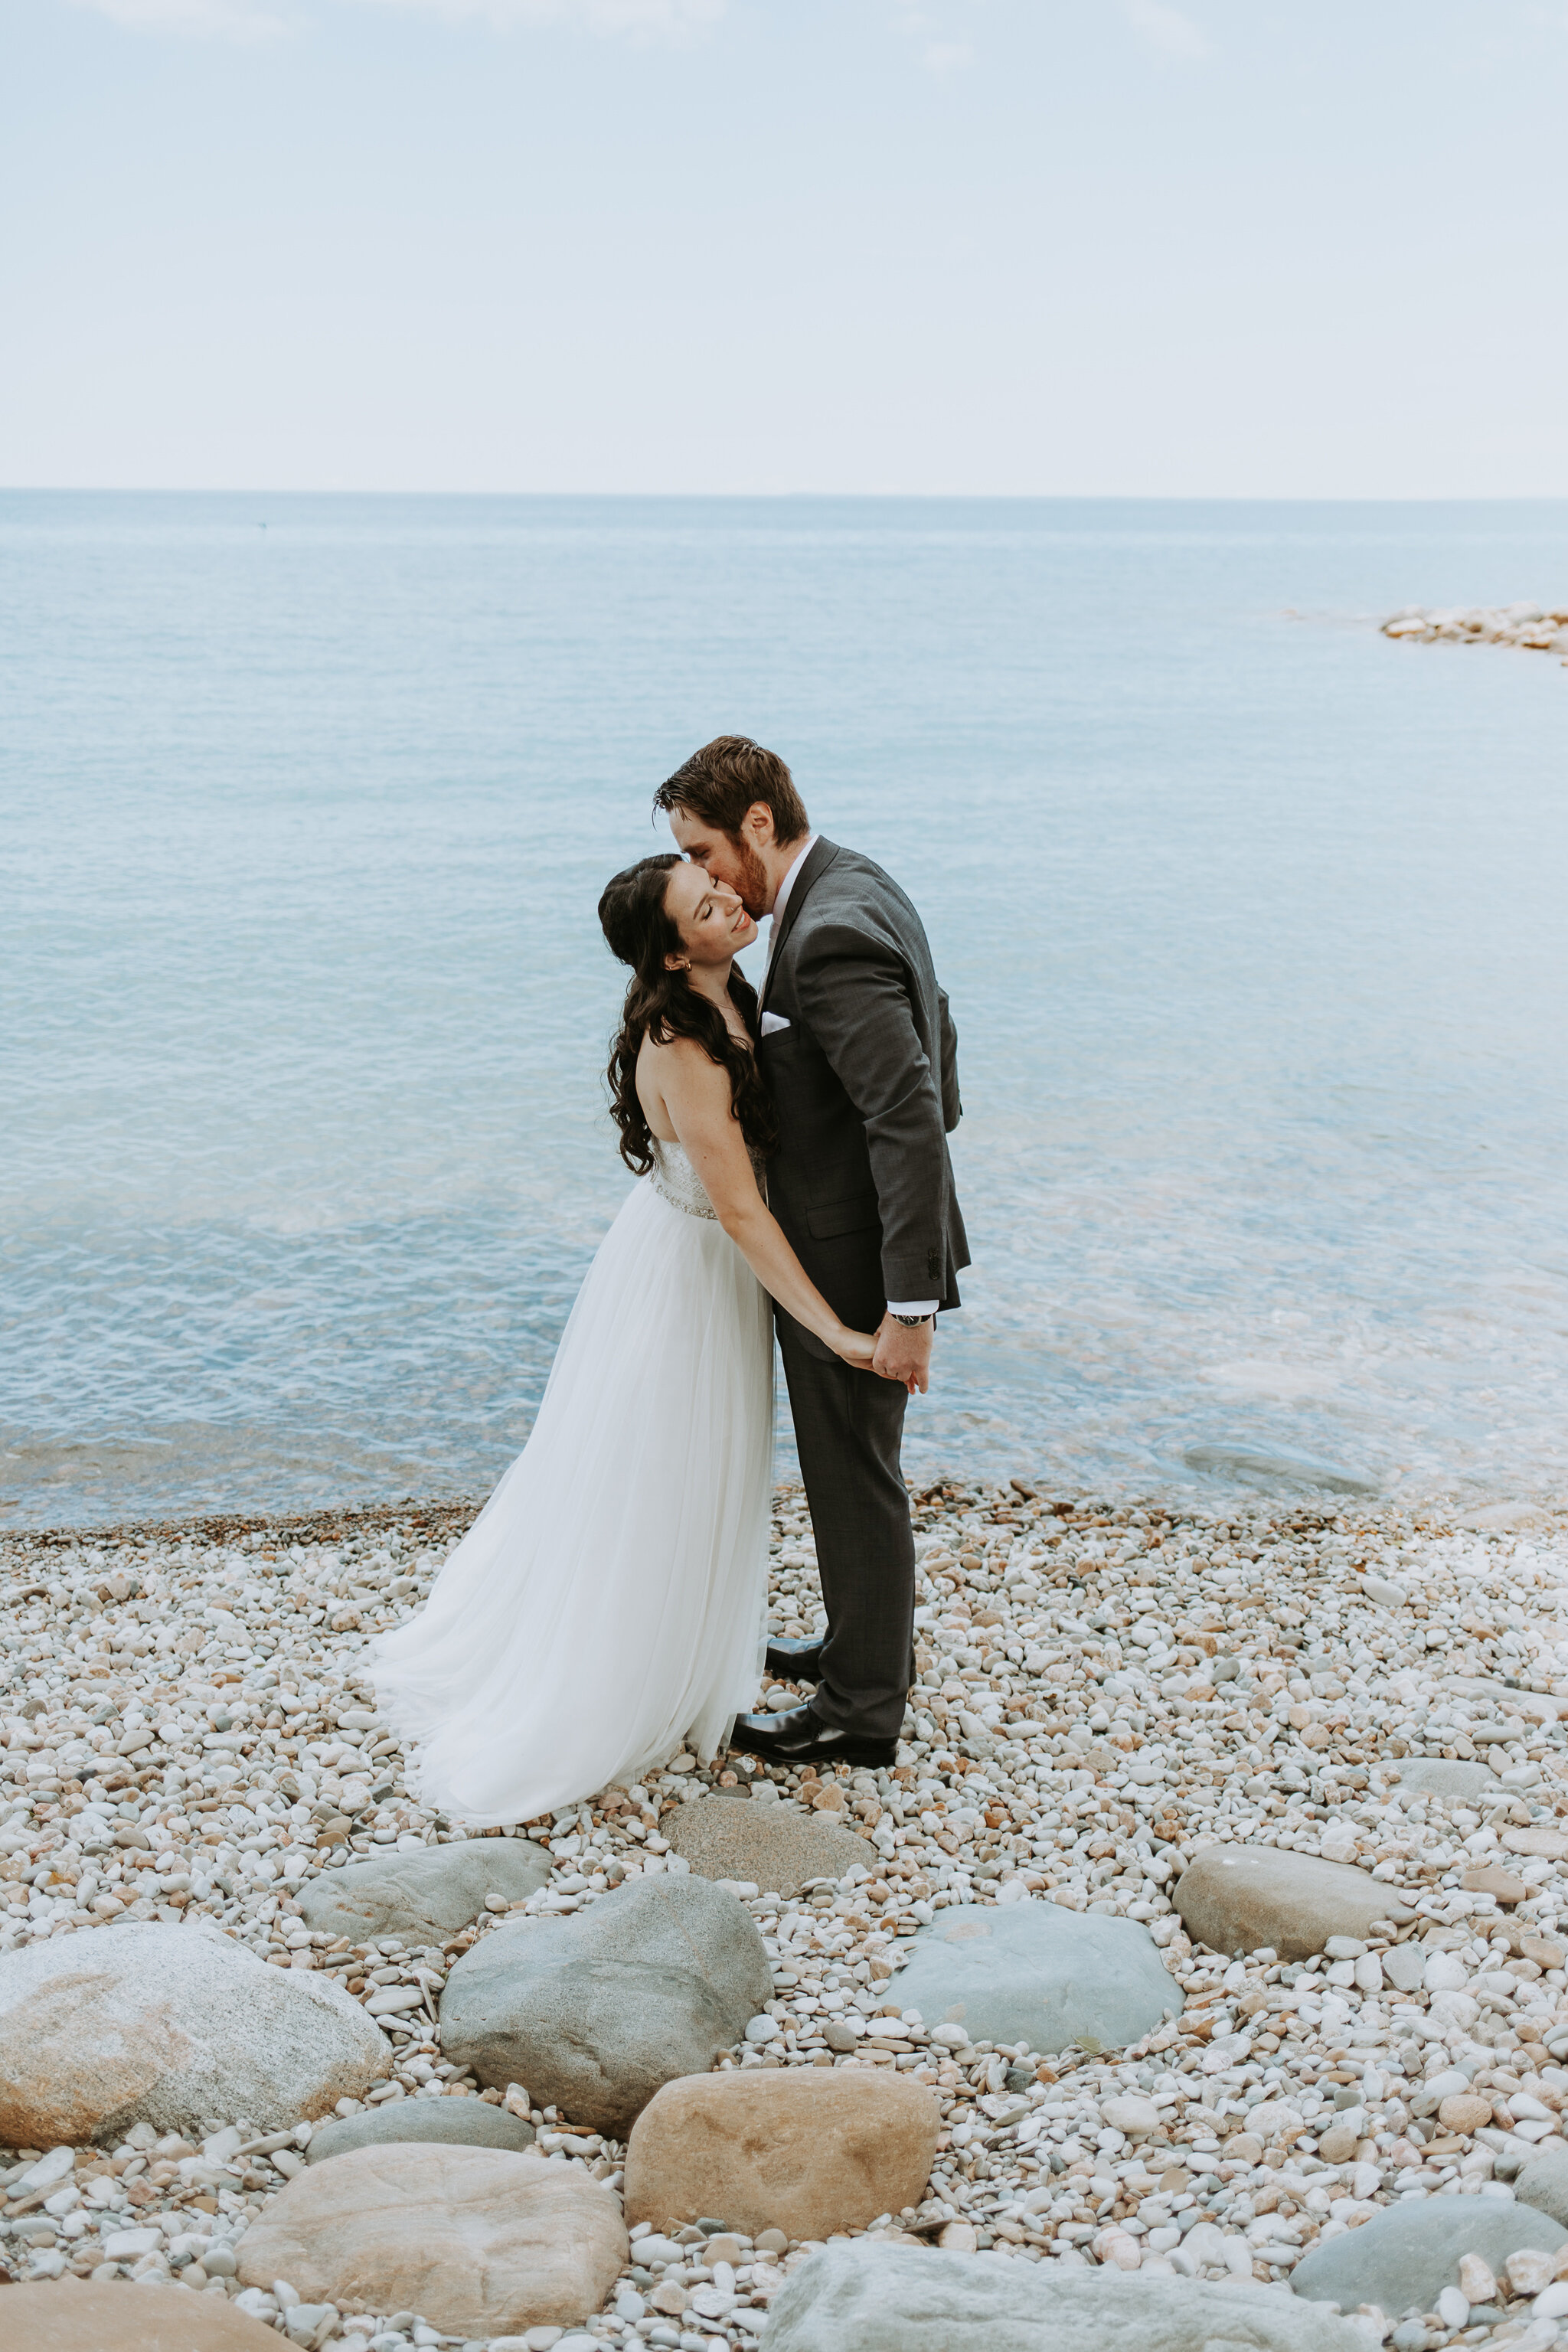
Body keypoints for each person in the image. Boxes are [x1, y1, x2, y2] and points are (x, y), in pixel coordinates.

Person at [368, 853, 877, 1825]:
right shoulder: (682, 1038)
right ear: (674, 951)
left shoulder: (732, 998)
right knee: (659, 1478)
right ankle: (619, 1684)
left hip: (701, 1272)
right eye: (704, 903)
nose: (730, 896)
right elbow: (736, 1208)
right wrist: (833, 1330)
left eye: (717, 884)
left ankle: (684, 1658)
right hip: (682, 1282)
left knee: (693, 1476)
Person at [655, 735, 969, 1771]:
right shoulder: (858, 878)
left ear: (755, 825)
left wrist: (910, 1307)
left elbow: (907, 1112)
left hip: (855, 1259)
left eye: (703, 850)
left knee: (852, 1478)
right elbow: (940, 1044)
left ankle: (861, 1712)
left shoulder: (826, 934)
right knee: (852, 1471)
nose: (700, 875)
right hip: (864, 1233)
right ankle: (854, 1650)